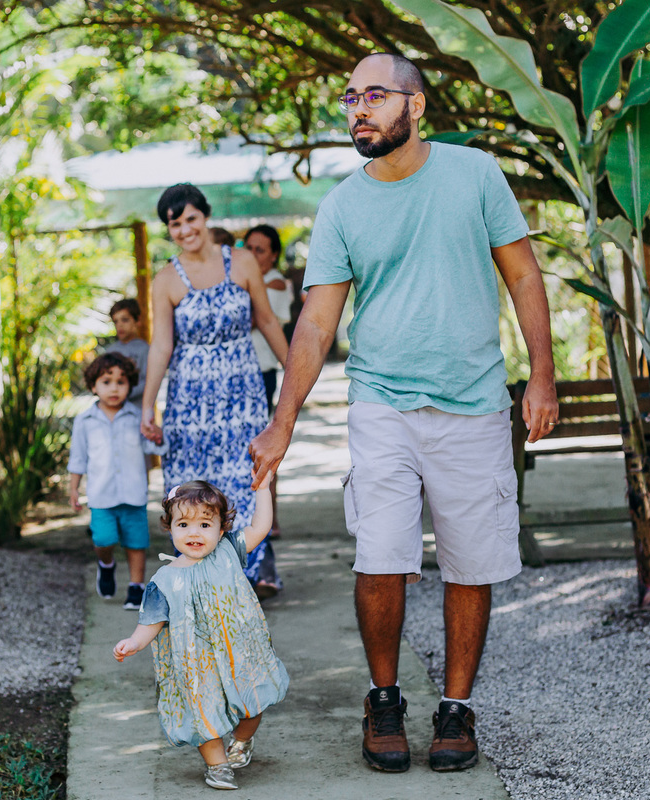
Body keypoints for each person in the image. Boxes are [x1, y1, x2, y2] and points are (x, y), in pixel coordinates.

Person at [250, 53, 559, 775]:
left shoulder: (475, 174)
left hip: (476, 401)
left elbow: (521, 272)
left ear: (416, 107)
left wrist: (541, 377)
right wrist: (283, 420)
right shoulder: (342, 206)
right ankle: (383, 697)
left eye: (375, 96)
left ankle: (455, 709)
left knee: (470, 559)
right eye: (350, 97)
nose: (358, 108)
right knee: (380, 554)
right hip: (382, 400)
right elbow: (316, 326)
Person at [141, 183, 291, 598]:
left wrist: (295, 375)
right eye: (176, 224)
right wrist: (147, 405)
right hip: (189, 404)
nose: (185, 229)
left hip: (241, 396)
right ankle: (197, 585)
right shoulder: (166, 279)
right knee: (190, 490)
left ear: (204, 217)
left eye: (191, 218)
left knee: (246, 484)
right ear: (169, 229)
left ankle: (241, 583)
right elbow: (161, 347)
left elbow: (267, 321)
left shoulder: (242, 262)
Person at [113, 479, 289, 791]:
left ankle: (242, 741)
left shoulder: (229, 551)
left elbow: (260, 527)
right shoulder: (163, 580)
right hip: (197, 665)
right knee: (202, 715)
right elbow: (151, 621)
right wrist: (134, 642)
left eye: (205, 524)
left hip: (239, 654)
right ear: (170, 529)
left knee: (253, 706)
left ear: (221, 529)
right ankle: (217, 766)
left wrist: (263, 487)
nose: (194, 533)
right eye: (183, 524)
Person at [68, 352, 167, 610]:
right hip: (101, 496)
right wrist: (73, 489)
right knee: (103, 539)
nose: (114, 388)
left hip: (133, 494)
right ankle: (106, 564)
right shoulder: (85, 421)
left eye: (121, 382)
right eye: (106, 381)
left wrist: (157, 436)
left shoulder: (137, 417)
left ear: (129, 386)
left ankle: (136, 588)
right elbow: (78, 457)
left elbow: (153, 449)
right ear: (93, 386)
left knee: (136, 543)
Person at [244, 224, 293, 539]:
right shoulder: (250, 280)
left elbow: (249, 319)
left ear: (273, 255)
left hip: (261, 370)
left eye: (259, 250)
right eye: (247, 247)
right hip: (245, 372)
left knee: (260, 448)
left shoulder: (274, 285)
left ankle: (268, 518)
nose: (251, 255)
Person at [105, 298, 149, 404]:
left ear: (137, 321)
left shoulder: (145, 349)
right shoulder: (110, 351)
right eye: (116, 321)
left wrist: (122, 393)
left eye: (124, 320)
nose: (119, 325)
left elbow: (148, 382)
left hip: (137, 410)